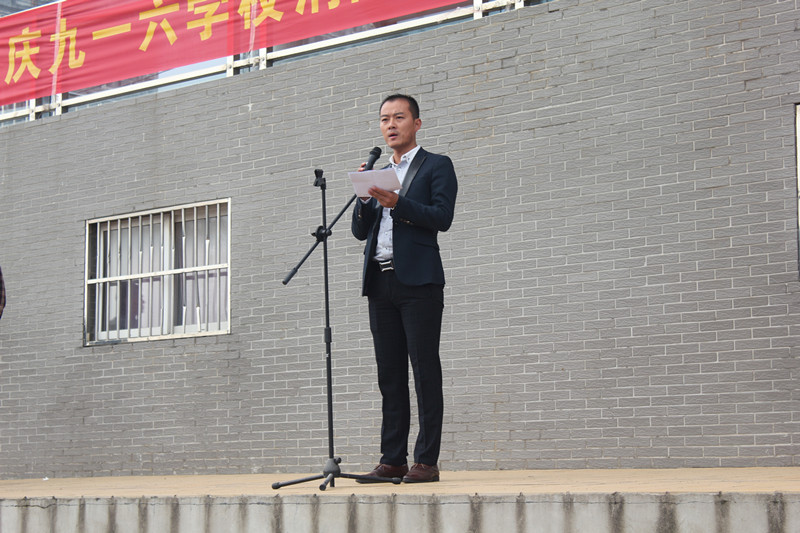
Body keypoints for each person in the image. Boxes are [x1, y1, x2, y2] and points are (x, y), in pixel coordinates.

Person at [351, 94, 458, 483]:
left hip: (419, 282)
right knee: (390, 375)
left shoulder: (436, 165)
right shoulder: (378, 172)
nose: (391, 124)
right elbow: (360, 231)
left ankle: (426, 460)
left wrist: (398, 203)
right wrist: (364, 196)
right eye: (384, 119)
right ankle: (392, 459)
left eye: (399, 117)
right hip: (380, 282)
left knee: (424, 370)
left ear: (416, 123)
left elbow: (442, 217)